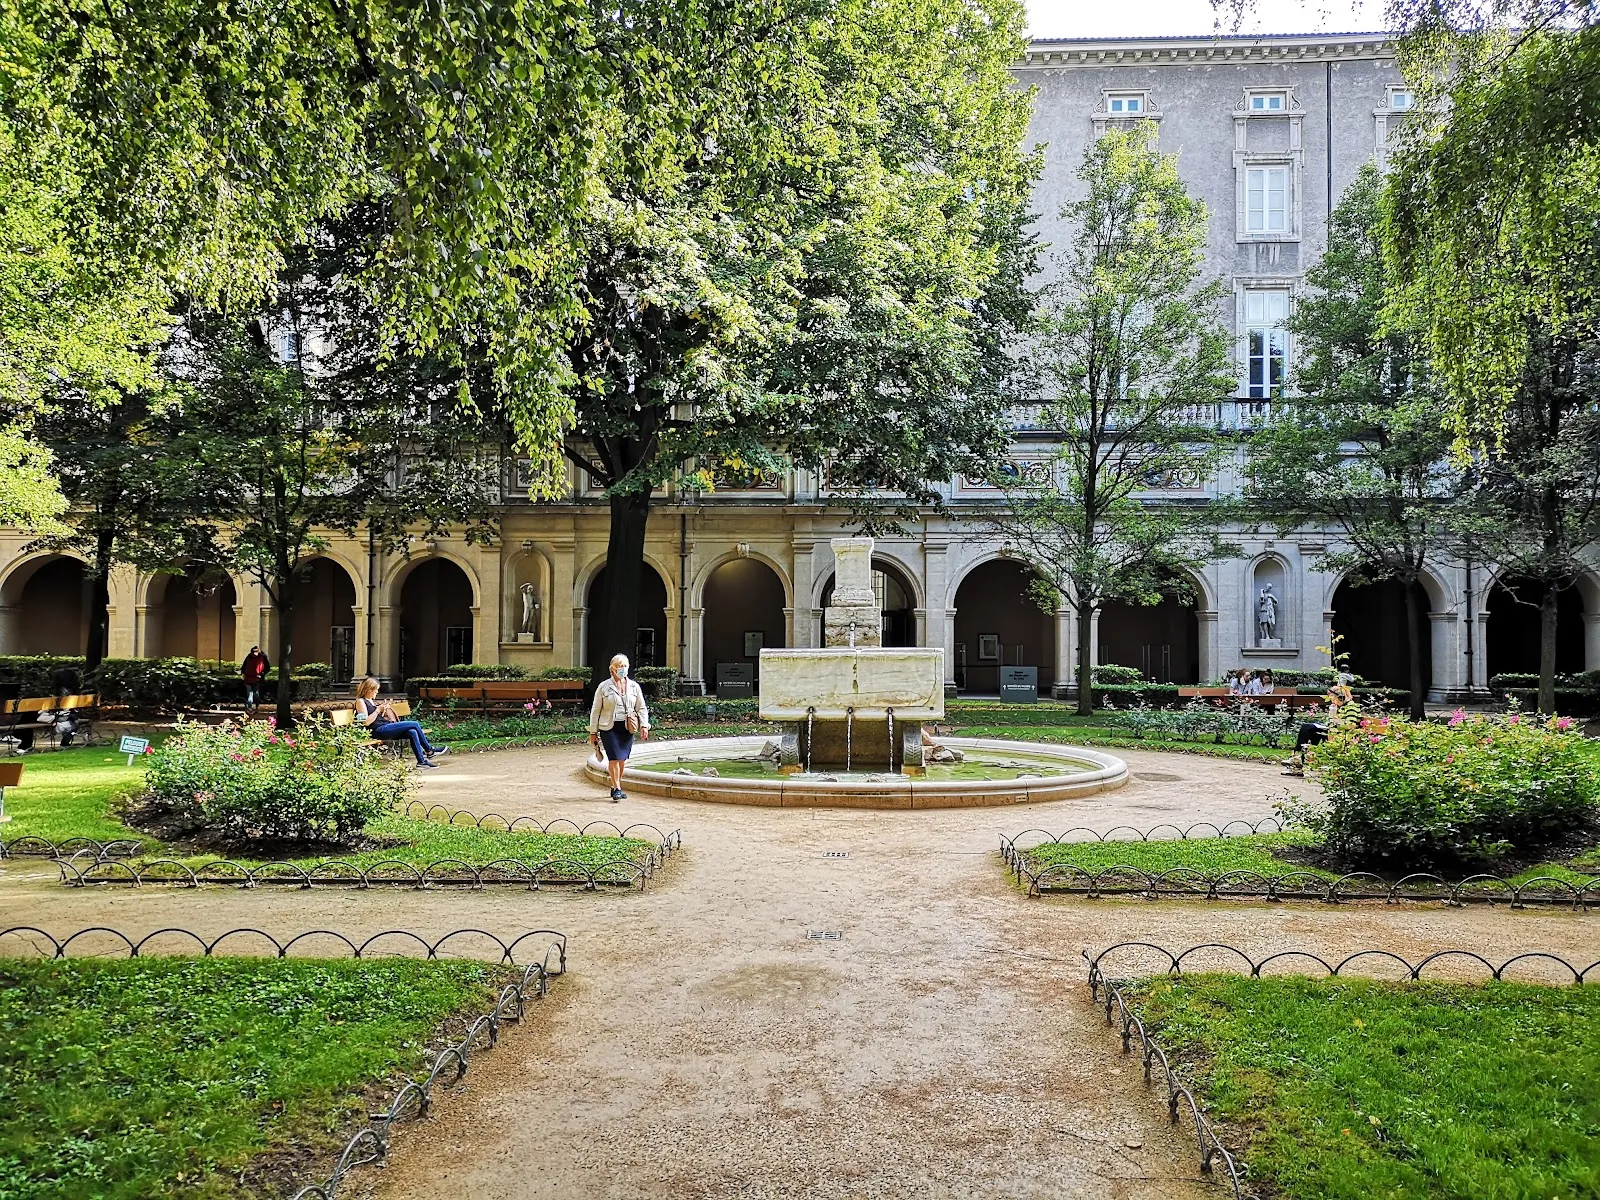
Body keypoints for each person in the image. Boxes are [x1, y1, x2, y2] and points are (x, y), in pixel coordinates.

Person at [589, 654, 650, 801]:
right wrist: (593, 732)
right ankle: (617, 788)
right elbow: (595, 710)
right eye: (619, 666)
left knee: (622, 759)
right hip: (608, 727)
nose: (622, 669)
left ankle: (615, 785)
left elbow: (641, 707)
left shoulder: (634, 687)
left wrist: (644, 725)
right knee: (614, 758)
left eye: (625, 666)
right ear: (612, 668)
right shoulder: (603, 687)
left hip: (627, 727)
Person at [352, 676, 448, 768]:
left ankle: (421, 762)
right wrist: (378, 709)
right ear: (369, 689)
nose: (377, 692)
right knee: (415, 724)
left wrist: (384, 710)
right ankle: (429, 750)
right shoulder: (361, 701)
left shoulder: (370, 701)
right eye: (375, 690)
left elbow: (376, 718)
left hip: (383, 727)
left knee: (412, 732)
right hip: (378, 730)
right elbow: (366, 722)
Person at [1283, 676, 1354, 776]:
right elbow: (1332, 722)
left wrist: (1333, 718)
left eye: (1332, 697)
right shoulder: (1340, 706)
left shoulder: (1351, 707)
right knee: (1309, 729)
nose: (1330, 700)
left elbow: (1350, 725)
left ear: (1339, 696)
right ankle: (1298, 761)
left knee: (1308, 728)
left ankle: (1297, 758)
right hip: (1332, 731)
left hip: (1340, 735)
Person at [241, 646, 270, 712]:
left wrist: (262, 674)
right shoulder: (248, 657)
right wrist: (243, 673)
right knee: (250, 694)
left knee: (256, 693)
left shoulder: (263, 657)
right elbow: (244, 666)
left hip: (257, 679)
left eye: (255, 652)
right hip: (248, 678)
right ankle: (249, 707)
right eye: (253, 652)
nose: (254, 654)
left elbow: (267, 668)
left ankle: (257, 706)